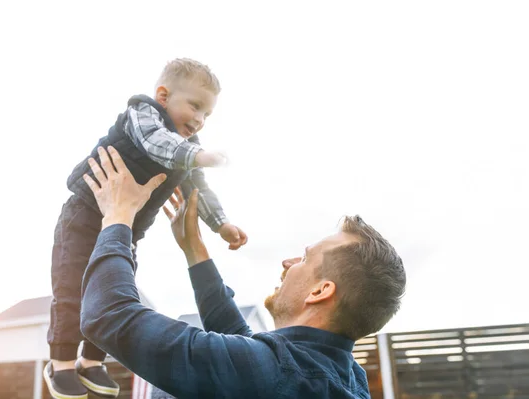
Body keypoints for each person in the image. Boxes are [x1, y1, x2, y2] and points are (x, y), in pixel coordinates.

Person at [78, 146, 407, 399]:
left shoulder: (275, 373)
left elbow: (108, 315)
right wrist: (196, 251)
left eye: (305, 258)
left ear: (320, 291)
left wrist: (117, 217)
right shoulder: (344, 375)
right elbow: (244, 346)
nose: (288, 263)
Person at [44, 59, 247, 399]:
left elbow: (198, 188)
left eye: (207, 114)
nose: (199, 119)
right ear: (163, 95)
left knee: (111, 291)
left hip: (124, 232)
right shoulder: (144, 115)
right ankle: (61, 362)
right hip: (84, 216)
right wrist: (198, 156)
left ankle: (91, 360)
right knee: (71, 289)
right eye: (195, 106)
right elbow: (156, 142)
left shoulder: (189, 148)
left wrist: (221, 224)